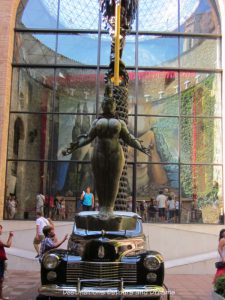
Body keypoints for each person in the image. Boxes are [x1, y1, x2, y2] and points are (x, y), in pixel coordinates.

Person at [63, 86, 150, 215]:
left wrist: (141, 147)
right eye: (105, 103)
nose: (107, 105)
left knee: (114, 179)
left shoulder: (120, 122)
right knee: (100, 179)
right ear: (102, 106)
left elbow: (129, 138)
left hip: (116, 154)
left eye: (110, 103)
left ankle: (109, 207)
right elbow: (87, 137)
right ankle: (102, 206)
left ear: (114, 105)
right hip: (99, 154)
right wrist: (73, 147)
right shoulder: (97, 122)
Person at [0, 225, 13, 300]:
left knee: (1, 279)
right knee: (0, 279)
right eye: (0, 229)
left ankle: (1, 296)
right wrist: (11, 236)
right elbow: (8, 245)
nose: (1, 231)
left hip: (1, 261)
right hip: (0, 262)